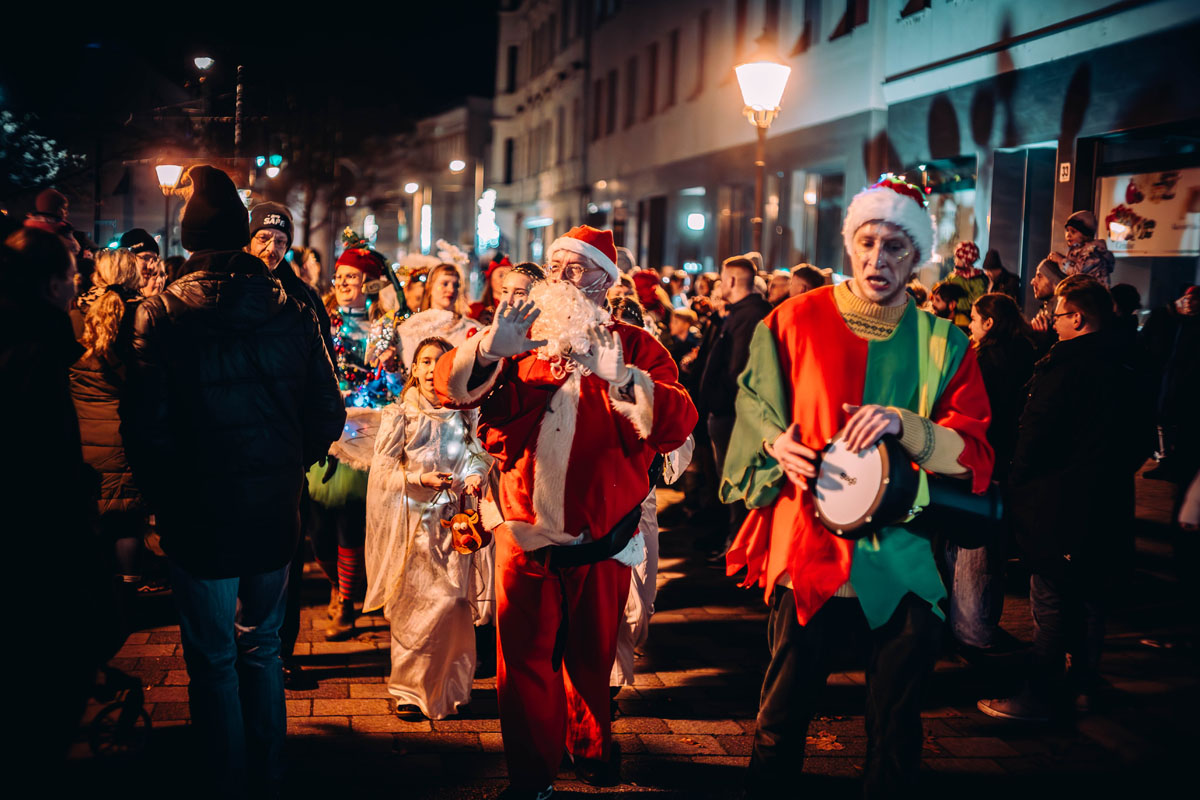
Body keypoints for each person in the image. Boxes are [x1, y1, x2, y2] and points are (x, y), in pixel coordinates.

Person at [721, 177, 993, 798]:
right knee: (782, 713)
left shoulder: (945, 344)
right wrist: (773, 442)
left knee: (896, 727)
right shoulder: (791, 320)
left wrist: (907, 425)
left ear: (916, 255)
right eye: (867, 242)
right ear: (849, 244)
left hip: (903, 554)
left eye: (895, 246)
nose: (878, 259)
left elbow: (973, 453)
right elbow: (753, 404)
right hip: (808, 546)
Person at [433, 225, 697, 799]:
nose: (560, 277)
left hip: (605, 535)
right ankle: (532, 774)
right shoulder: (520, 336)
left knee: (591, 656)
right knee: (523, 662)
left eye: (574, 267)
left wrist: (623, 377)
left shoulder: (636, 344)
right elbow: (447, 387)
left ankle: (590, 745)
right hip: (523, 532)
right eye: (554, 266)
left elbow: (678, 422)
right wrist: (488, 350)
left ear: (605, 279)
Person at [122, 165, 345, 793]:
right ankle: (267, 769)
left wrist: (162, 498)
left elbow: (145, 427)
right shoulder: (290, 308)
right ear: (240, 236)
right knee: (262, 644)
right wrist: (286, 463)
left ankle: (226, 775)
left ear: (190, 240)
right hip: (272, 505)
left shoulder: (161, 313)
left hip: (198, 509)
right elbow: (328, 411)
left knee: (213, 655)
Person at [979, 276, 1152, 721]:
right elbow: (1141, 439)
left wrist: (1018, 483)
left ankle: (1040, 693)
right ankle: (1084, 683)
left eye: (1056, 315)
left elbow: (1035, 436)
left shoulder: (1064, 367)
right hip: (1107, 500)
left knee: (1050, 597)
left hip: (1056, 502)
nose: (1050, 321)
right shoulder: (1130, 363)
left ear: (1077, 317)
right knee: (1092, 595)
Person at [2, 226, 100, 776]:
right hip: (38, 534)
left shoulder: (29, 340)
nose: (77, 285)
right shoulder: (37, 352)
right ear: (48, 285)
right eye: (70, 276)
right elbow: (42, 456)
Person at [365, 336, 493, 720]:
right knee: (415, 606)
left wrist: (475, 474)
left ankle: (448, 688)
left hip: (455, 526)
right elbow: (382, 473)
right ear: (414, 369)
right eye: (424, 361)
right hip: (413, 526)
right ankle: (409, 690)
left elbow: (478, 455)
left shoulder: (464, 413)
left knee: (452, 604)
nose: (430, 368)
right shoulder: (400, 415)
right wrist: (420, 479)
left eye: (439, 361)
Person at [245, 202, 335, 682]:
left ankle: (281, 650)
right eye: (263, 238)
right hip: (237, 445)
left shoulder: (302, 297)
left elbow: (325, 379)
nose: (272, 249)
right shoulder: (231, 290)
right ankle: (243, 650)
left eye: (280, 241)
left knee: (286, 554)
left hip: (286, 449)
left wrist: (309, 446)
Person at [310, 232, 396, 640]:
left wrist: (390, 369)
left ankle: (345, 600)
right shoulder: (321, 321)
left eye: (353, 276)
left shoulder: (385, 327)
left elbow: (395, 384)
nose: (344, 282)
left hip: (365, 432)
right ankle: (337, 583)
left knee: (348, 518)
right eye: (340, 276)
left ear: (369, 283)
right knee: (318, 528)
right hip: (326, 430)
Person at [945, 293, 1037, 653]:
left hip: (982, 462)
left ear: (989, 323)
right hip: (1008, 462)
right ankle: (980, 623)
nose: (969, 324)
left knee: (973, 548)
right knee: (991, 550)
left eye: (974, 318)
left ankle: (971, 629)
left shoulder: (983, 361)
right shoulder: (1029, 353)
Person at [69, 249, 150, 589]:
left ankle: (98, 591)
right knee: (128, 522)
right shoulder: (143, 316)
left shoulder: (74, 315)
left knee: (92, 520)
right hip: (127, 434)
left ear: (97, 275)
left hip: (82, 434)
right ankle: (130, 590)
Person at [697, 254, 772, 558]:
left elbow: (739, 369)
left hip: (735, 415)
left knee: (737, 484)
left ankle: (740, 551)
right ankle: (735, 545)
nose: (719, 284)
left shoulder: (750, 315)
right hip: (728, 413)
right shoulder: (740, 313)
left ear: (731, 280)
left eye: (721, 278)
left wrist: (719, 399)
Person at [1047, 210, 1115, 287]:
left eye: (1073, 232)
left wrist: (1060, 260)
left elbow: (1078, 273)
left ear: (1085, 234)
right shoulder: (1076, 251)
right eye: (1067, 230)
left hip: (1093, 292)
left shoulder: (1093, 253)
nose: (1068, 235)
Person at [942, 240, 987, 327]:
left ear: (966, 260)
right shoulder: (953, 276)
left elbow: (978, 300)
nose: (955, 260)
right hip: (951, 315)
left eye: (958, 258)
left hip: (966, 318)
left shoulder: (977, 279)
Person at [470, 254, 513, 325]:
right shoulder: (475, 310)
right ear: (490, 280)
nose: (505, 280)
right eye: (501, 275)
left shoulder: (519, 309)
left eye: (508, 276)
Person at [118, 228, 162, 297]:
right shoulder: (113, 299)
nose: (152, 266)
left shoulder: (136, 298)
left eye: (155, 260)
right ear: (126, 258)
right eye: (145, 258)